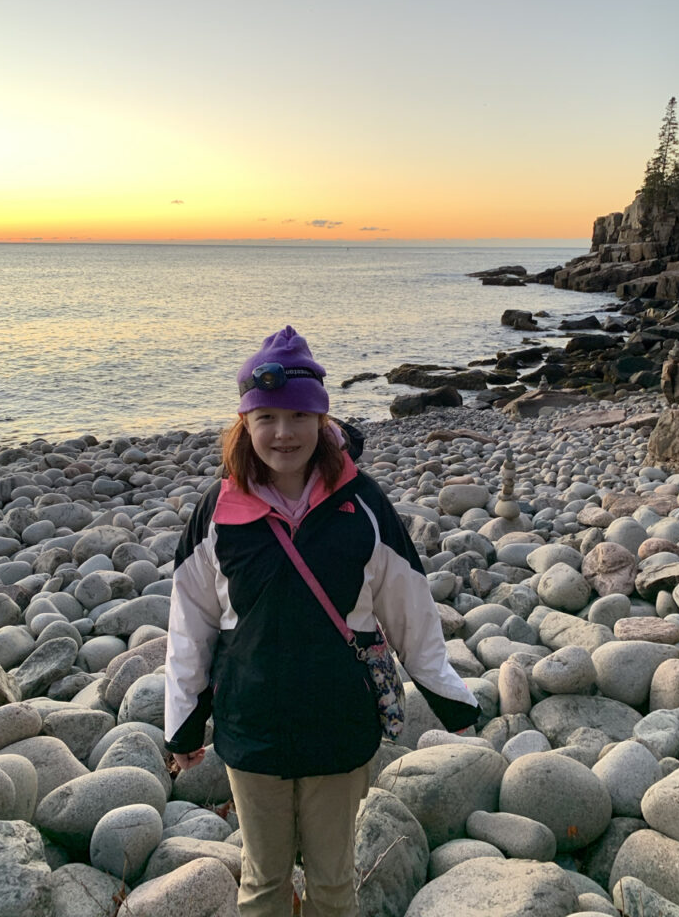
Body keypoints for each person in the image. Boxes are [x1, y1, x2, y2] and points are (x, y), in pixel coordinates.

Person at [164, 325, 480, 917]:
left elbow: (409, 607)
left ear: (322, 420)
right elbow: (192, 626)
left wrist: (451, 700)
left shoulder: (360, 503)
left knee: (334, 883)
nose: (283, 433)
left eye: (298, 417)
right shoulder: (217, 511)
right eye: (267, 418)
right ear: (245, 424)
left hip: (338, 723)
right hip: (250, 726)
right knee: (262, 883)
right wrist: (183, 726)